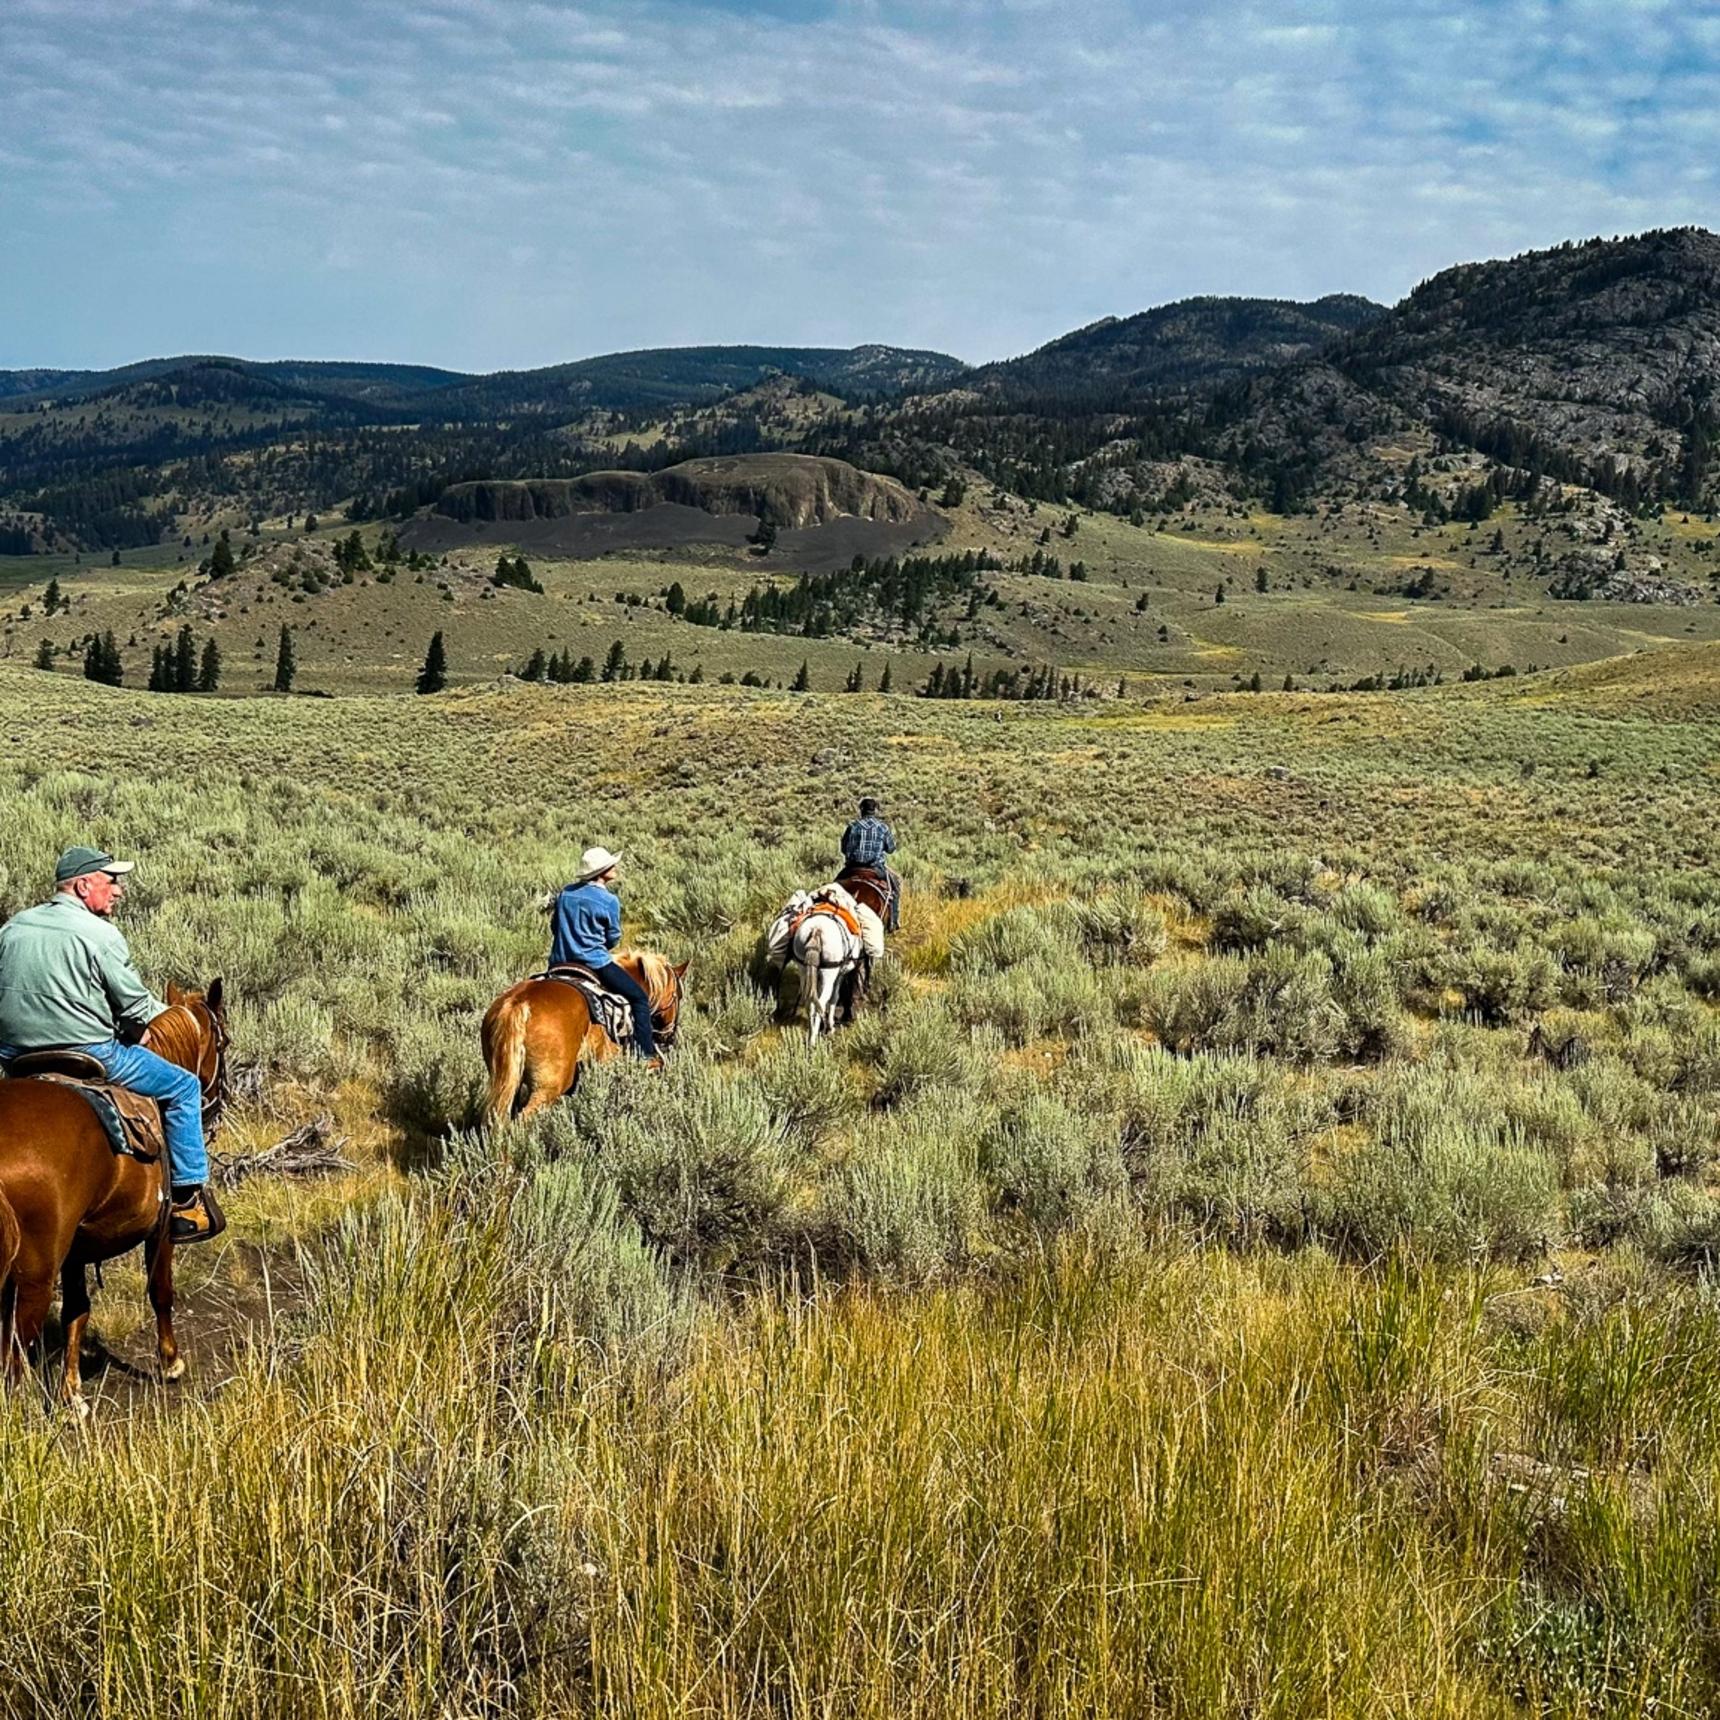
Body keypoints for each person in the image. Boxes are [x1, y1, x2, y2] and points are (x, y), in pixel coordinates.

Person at [0, 846, 223, 1242]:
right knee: (184, 1087)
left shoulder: (13, 928)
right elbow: (136, 1005)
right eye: (112, 881)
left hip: (16, 1056)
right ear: (84, 886)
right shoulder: (99, 934)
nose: (118, 891)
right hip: (90, 1053)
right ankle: (190, 1199)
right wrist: (162, 1022)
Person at [550, 846, 659, 1065]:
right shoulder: (609, 901)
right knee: (639, 999)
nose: (615, 867)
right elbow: (612, 939)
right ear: (602, 872)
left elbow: (555, 927)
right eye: (611, 865)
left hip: (559, 962)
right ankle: (646, 1056)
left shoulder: (566, 894)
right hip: (595, 964)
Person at [840, 796, 901, 932]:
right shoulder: (883, 827)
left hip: (852, 868)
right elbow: (890, 849)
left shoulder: (852, 826)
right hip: (875, 868)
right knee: (896, 886)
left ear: (861, 809)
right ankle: (893, 923)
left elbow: (844, 849)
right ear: (875, 810)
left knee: (834, 886)